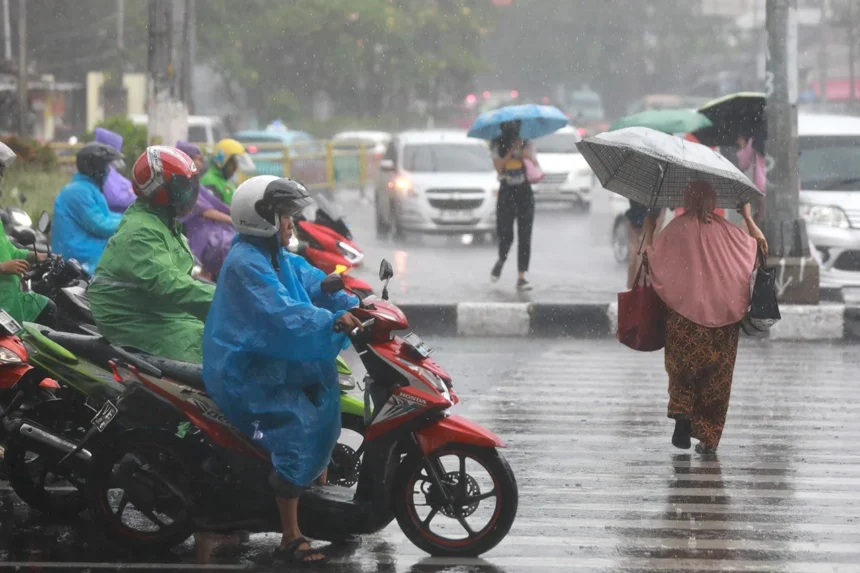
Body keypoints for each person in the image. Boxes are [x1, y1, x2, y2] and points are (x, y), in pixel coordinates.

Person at [202, 175, 362, 566]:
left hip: (270, 364)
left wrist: (336, 288)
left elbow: (304, 279)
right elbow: (284, 315)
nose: (291, 223)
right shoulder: (246, 263)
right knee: (300, 427)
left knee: (325, 411)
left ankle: (312, 506)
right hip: (247, 374)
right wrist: (332, 323)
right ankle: (289, 535)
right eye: (285, 216)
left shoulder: (273, 254)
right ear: (262, 219)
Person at [642, 181, 767, 455]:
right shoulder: (732, 233)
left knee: (682, 371)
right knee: (716, 380)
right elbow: (761, 249)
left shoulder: (676, 229)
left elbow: (650, 262)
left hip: (684, 318)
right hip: (724, 320)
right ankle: (709, 438)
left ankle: (683, 415)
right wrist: (746, 217)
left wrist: (650, 227)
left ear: (686, 199)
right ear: (715, 201)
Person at [89, 146, 214, 363]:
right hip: (138, 321)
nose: (190, 195)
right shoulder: (141, 231)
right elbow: (172, 285)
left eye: (191, 187)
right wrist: (223, 300)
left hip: (160, 311)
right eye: (182, 188)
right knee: (214, 364)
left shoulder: (164, 222)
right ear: (159, 191)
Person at [0, 142, 53, 326]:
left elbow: (8, 250)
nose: (1, 178)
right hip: (2, 309)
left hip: (9, 303)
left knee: (48, 307)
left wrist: (33, 255)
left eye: (1, 173)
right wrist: (3, 268)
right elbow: (5, 262)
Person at [52, 143, 123, 274]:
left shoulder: (88, 188)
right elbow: (100, 225)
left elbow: (106, 217)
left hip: (86, 254)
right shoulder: (79, 191)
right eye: (106, 167)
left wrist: (129, 217)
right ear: (96, 167)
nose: (108, 171)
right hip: (79, 259)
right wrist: (129, 222)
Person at [490, 120, 539, 291]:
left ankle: (521, 276)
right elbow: (499, 167)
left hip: (524, 192)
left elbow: (536, 165)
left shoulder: (527, 142)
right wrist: (511, 151)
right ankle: (501, 260)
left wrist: (526, 154)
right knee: (506, 233)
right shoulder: (496, 144)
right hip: (506, 193)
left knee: (525, 235)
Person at [175, 141, 235, 280]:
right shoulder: (185, 183)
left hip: (212, 225)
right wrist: (233, 220)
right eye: (198, 159)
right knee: (225, 245)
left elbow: (218, 205)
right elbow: (205, 210)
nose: (201, 163)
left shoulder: (193, 180)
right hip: (199, 228)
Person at [94, 127, 136, 213]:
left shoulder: (109, 169)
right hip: (115, 218)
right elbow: (113, 198)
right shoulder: (100, 171)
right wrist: (132, 194)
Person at [199, 138, 253, 205]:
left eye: (237, 164)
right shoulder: (210, 181)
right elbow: (216, 209)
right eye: (233, 164)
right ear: (223, 161)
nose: (235, 168)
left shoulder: (225, 181)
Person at [625, 201, 664, 289]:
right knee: (636, 256)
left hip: (649, 219)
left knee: (640, 256)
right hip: (636, 220)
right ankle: (633, 290)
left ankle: (636, 290)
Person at [736, 132, 766, 223]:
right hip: (781, 187)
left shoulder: (755, 140)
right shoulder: (785, 136)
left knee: (759, 218)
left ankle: (758, 235)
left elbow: (743, 164)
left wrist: (742, 147)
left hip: (762, 186)